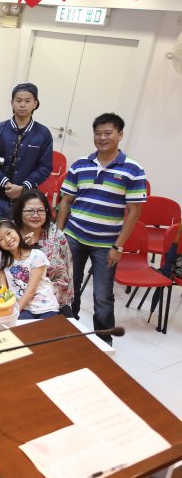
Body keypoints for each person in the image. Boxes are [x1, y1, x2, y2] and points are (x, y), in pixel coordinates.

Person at [56, 112, 146, 343]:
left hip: (106, 244)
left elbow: (134, 212)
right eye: (98, 133)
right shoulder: (80, 164)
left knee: (103, 297)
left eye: (108, 133)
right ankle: (70, 333)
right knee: (69, 288)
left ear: (120, 135)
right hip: (74, 236)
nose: (102, 138)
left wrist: (118, 246)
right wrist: (58, 234)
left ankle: (104, 342)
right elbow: (66, 201)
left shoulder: (133, 170)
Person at [0, 82, 52, 219]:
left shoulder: (43, 133)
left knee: (18, 232)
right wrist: (6, 183)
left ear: (35, 103)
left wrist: (23, 188)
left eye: (27, 101)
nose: (22, 105)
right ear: (12, 103)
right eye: (18, 101)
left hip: (25, 199)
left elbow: (45, 167)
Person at [13, 190, 74, 317]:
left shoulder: (57, 236)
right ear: (20, 212)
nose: (35, 215)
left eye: (40, 211)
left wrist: (44, 296)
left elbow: (64, 276)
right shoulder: (10, 234)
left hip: (50, 298)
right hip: (17, 295)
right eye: (30, 211)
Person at [0, 220, 60, 320]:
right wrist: (3, 310)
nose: (7, 239)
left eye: (9, 233)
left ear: (17, 231)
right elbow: (3, 290)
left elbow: (31, 290)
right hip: (24, 308)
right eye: (1, 239)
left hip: (46, 307)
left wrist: (14, 313)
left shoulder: (36, 255)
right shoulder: (2, 260)